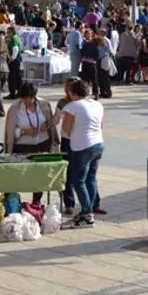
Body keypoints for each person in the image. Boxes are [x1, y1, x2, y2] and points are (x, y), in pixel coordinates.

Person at [3, 83, 58, 204]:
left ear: (34, 96)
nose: (24, 101)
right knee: (17, 174)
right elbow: (10, 130)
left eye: (27, 98)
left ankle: (36, 203)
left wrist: (46, 125)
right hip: (23, 146)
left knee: (40, 175)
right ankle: (12, 202)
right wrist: (24, 131)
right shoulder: (15, 108)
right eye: (22, 98)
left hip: (43, 144)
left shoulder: (44, 105)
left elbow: (50, 124)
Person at [61, 77, 104, 228]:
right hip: (98, 143)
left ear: (72, 93)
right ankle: (89, 209)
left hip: (82, 146)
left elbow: (66, 129)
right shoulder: (97, 104)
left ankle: (87, 214)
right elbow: (101, 125)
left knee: (77, 181)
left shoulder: (73, 106)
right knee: (91, 179)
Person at [5, 26, 24, 98]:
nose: (7, 34)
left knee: (12, 78)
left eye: (8, 32)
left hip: (14, 61)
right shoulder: (18, 38)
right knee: (17, 77)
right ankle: (20, 92)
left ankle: (12, 94)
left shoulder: (14, 40)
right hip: (17, 60)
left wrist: (12, 59)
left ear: (12, 32)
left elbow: (15, 49)